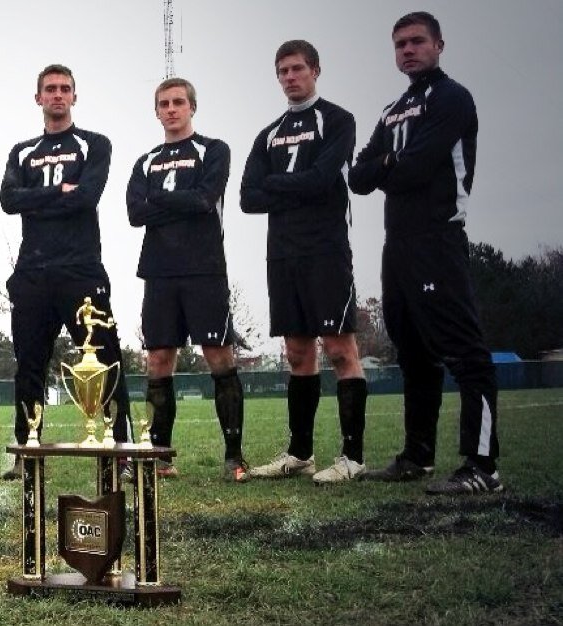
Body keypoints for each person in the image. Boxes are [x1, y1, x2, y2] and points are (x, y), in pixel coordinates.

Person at [350, 12, 501, 494]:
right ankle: (418, 456)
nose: (408, 50)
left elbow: (414, 170)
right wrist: (389, 161)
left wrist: (386, 164)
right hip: (397, 246)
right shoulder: (393, 109)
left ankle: (482, 466)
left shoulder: (453, 98)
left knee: (466, 352)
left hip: (439, 238)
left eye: (417, 41)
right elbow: (357, 177)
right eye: (400, 44)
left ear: (439, 44)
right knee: (413, 353)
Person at [241, 40, 369, 484]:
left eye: (297, 69)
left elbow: (322, 180)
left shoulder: (337, 120)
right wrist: (296, 183)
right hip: (283, 254)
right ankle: (300, 454)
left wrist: (280, 184)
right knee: (297, 354)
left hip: (326, 251)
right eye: (283, 71)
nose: (290, 77)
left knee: (338, 348)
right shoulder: (269, 133)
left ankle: (353, 456)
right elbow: (247, 198)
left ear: (316, 70)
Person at [0, 64, 132, 480]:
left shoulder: (95, 144)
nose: (57, 95)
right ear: (37, 98)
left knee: (106, 360)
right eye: (50, 89)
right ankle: (26, 450)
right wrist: (58, 190)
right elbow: (8, 200)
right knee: (29, 365)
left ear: (75, 96)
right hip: (33, 272)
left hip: (81, 270)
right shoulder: (22, 151)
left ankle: (121, 448)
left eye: (64, 89)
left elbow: (87, 196)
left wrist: (38, 200)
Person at [126, 77, 248, 482]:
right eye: (164, 103)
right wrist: (174, 203)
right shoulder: (145, 160)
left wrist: (158, 200)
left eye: (179, 102)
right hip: (159, 273)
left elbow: (203, 199)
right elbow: (135, 213)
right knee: (159, 361)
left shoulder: (214, 150)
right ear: (156, 111)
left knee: (219, 356)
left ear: (192, 107)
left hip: (205, 269)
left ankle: (234, 456)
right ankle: (161, 457)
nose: (172, 109)